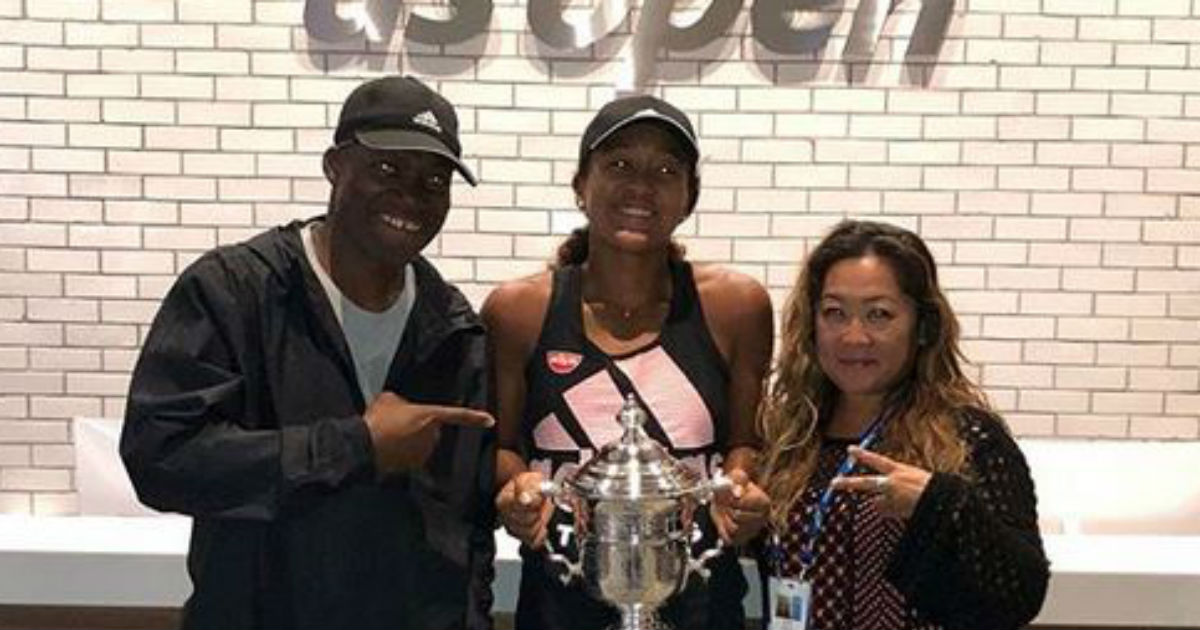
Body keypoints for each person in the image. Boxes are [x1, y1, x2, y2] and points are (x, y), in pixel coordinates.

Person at [120, 75, 497, 630]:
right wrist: (358, 445)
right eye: (387, 169)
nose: (411, 195)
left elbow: (466, 524)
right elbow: (161, 459)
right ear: (335, 166)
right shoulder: (235, 291)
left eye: (434, 180)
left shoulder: (451, 327)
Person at [484, 94, 774, 630]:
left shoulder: (735, 307)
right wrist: (519, 487)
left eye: (665, 170)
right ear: (580, 185)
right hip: (558, 605)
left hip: (701, 605)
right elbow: (501, 447)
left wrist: (738, 487)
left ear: (689, 198)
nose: (641, 185)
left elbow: (747, 442)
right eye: (619, 164)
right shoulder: (518, 311)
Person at [756, 219, 1050, 630]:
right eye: (835, 313)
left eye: (879, 315)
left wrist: (939, 503)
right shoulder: (792, 435)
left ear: (923, 326)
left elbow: (1022, 595)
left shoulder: (970, 437)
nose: (854, 337)